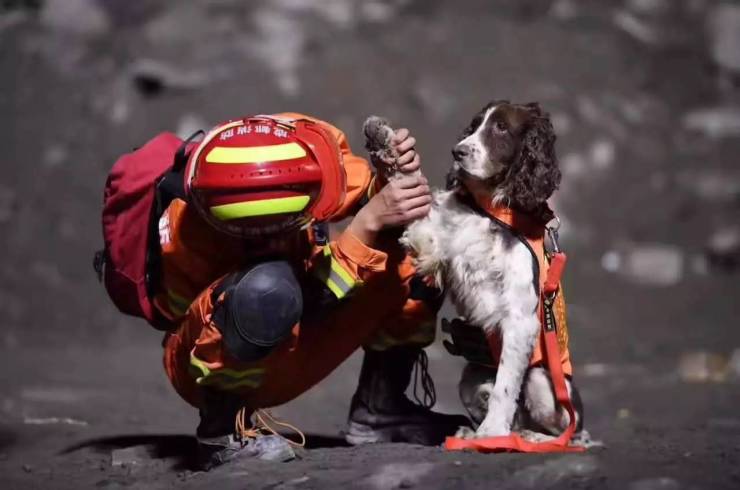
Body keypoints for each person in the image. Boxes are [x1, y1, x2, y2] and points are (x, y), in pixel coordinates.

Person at [155, 113, 467, 468]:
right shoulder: (184, 234)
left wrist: (390, 181)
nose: (273, 238)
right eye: (257, 234)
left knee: (415, 252)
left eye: (283, 227)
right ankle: (222, 434)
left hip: (295, 328)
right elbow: (286, 306)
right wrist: (365, 225)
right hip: (221, 367)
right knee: (264, 289)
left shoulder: (307, 154)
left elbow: (367, 198)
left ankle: (380, 409)